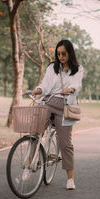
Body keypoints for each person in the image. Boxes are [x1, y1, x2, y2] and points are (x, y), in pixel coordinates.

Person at [32, 39, 83, 190]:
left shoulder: (77, 69)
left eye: (63, 54)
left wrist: (71, 89)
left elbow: (77, 84)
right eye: (58, 53)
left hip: (65, 106)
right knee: (35, 131)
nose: (60, 56)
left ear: (70, 53)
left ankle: (70, 179)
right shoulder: (51, 68)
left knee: (65, 144)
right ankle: (30, 162)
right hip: (49, 101)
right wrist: (38, 90)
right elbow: (45, 86)